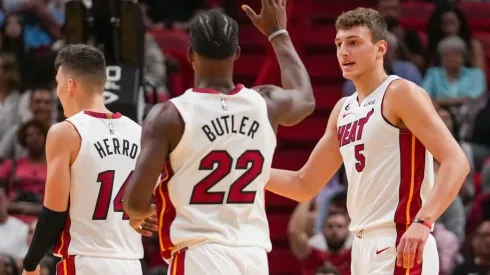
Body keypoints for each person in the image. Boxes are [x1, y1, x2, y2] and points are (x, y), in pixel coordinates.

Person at [266, 8, 470, 275]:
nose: (344, 52)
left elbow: (457, 161)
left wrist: (424, 221)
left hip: (400, 237)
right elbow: (304, 184)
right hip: (361, 245)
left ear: (380, 48)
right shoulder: (342, 109)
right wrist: (251, 172)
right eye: (339, 44)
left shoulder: (400, 93)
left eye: (354, 43)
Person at [123, 1, 315, 274]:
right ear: (237, 53)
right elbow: (305, 99)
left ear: (190, 54)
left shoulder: (169, 115)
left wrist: (139, 213)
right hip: (253, 255)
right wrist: (278, 33)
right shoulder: (265, 103)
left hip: (199, 253)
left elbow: (134, 202)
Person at [20, 44, 152, 275]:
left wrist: (31, 263)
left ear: (70, 85)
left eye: (58, 83)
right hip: (131, 264)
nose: (57, 91)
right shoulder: (139, 132)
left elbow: (54, 213)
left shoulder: (66, 132)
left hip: (86, 262)